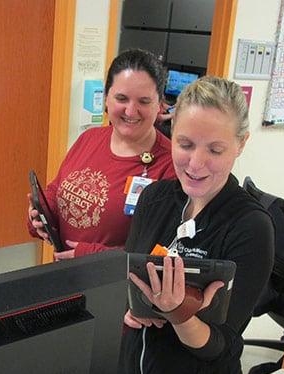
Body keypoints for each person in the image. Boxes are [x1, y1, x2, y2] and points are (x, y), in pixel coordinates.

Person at [116, 76, 275, 374]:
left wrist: (179, 313)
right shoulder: (154, 198)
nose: (196, 164)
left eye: (215, 150)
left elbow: (218, 346)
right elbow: (126, 280)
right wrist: (130, 309)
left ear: (241, 144)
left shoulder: (250, 227)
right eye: (185, 144)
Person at [27, 48, 176, 260]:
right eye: (122, 98)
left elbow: (161, 254)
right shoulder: (90, 138)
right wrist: (41, 217)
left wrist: (89, 255)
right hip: (62, 277)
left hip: (113, 287)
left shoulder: (171, 165)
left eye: (143, 101)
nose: (131, 111)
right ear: (106, 99)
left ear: (160, 105)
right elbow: (56, 190)